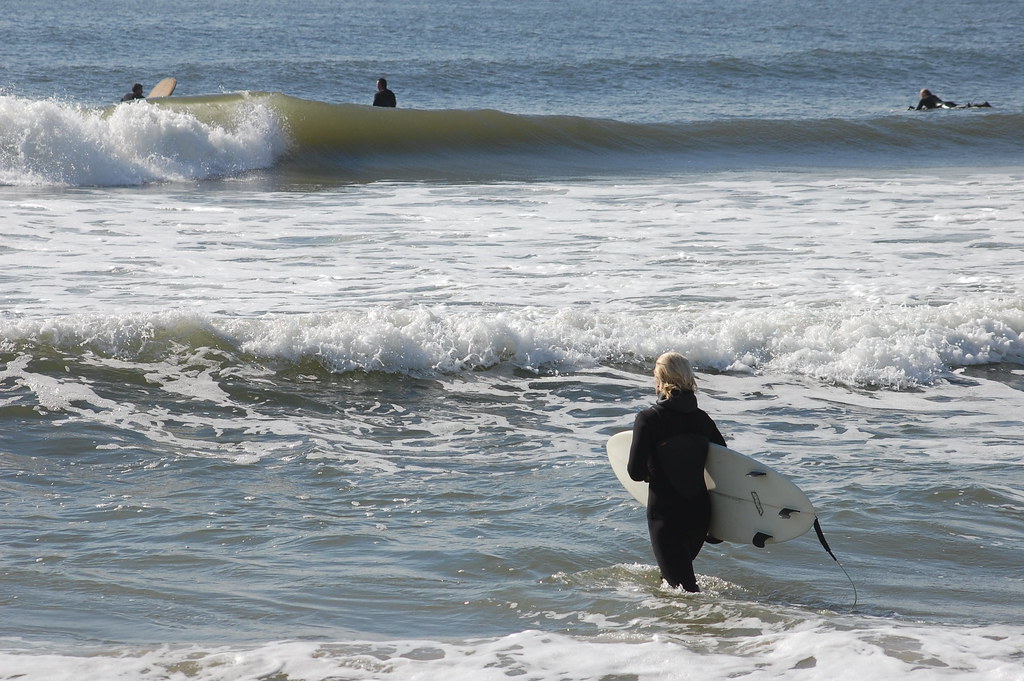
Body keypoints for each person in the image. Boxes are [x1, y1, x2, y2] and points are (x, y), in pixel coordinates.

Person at [627, 352, 726, 592]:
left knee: (684, 591)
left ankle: (711, 625)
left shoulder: (649, 419)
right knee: (674, 583)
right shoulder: (703, 420)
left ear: (660, 381)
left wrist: (654, 466)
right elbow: (723, 466)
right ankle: (676, 630)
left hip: (667, 517)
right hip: (700, 516)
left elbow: (635, 472)